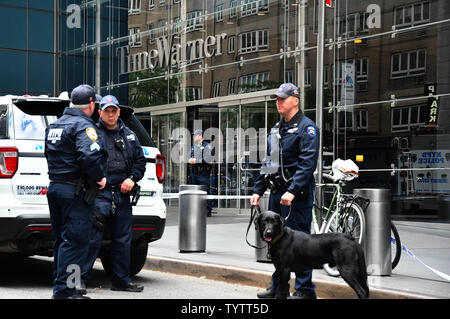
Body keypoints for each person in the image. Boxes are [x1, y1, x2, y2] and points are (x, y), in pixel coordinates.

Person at [250, 83, 320, 299]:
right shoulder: (276, 129)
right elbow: (269, 161)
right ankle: (278, 286)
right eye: (277, 99)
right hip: (277, 194)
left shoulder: (307, 128)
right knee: (277, 244)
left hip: (296, 195)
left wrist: (292, 189)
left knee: (300, 244)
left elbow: (307, 163)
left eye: (283, 98)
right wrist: (258, 189)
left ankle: (305, 289)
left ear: (295, 100)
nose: (278, 102)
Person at [45, 84, 107, 299]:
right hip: (75, 192)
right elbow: (89, 156)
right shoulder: (83, 126)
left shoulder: (55, 125)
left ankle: (61, 287)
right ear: (91, 104)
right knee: (77, 241)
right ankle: (67, 291)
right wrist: (99, 177)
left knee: (62, 241)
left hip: (56, 187)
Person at [81, 94, 146, 293]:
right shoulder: (91, 133)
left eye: (114, 111)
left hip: (122, 195)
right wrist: (95, 179)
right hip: (100, 196)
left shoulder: (130, 135)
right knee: (91, 239)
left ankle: (121, 281)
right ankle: (80, 281)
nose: (111, 114)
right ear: (100, 112)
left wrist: (132, 178)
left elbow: (140, 162)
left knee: (123, 239)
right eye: (107, 111)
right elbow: (84, 160)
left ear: (118, 112)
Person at [188, 129, 214, 216]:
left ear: (200, 136)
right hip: (194, 173)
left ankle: (207, 210)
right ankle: (196, 210)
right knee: (194, 192)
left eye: (195, 135)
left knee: (205, 191)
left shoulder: (207, 146)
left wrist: (196, 160)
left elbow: (208, 159)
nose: (194, 137)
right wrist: (190, 159)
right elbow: (188, 156)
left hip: (203, 172)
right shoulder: (194, 146)